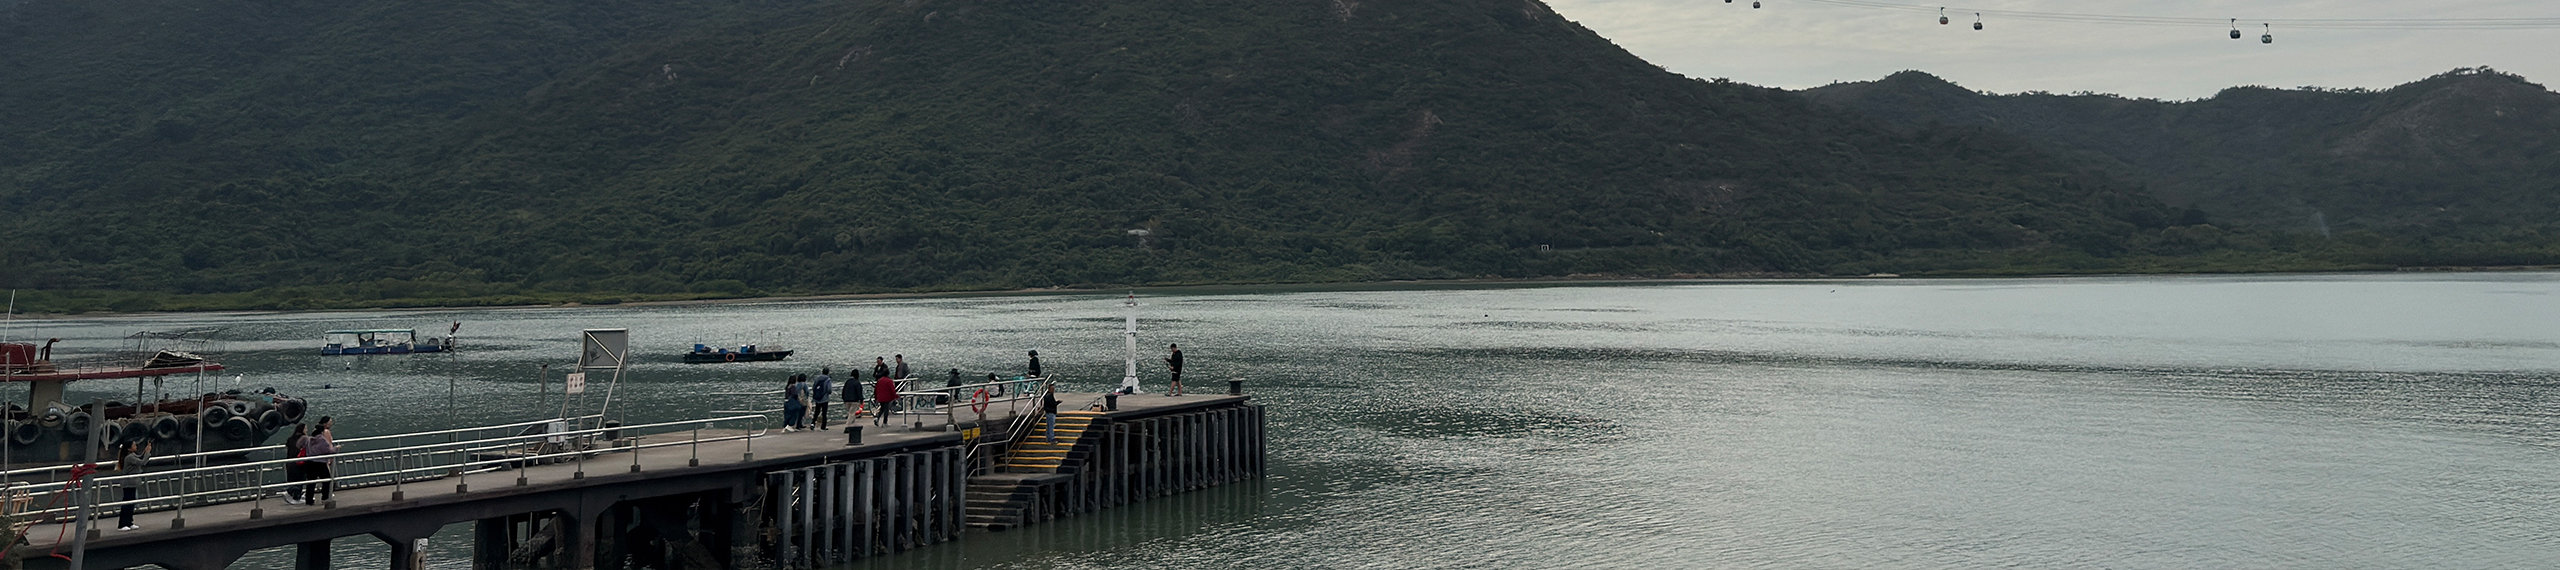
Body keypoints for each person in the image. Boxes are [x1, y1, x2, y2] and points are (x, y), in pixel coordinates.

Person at [117, 441, 150, 530]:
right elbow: (142, 462)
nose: (136, 446)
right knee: (127, 503)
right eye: (134, 445)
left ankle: (129, 522)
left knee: (131, 503)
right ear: (129, 448)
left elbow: (139, 457)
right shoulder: (129, 458)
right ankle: (122, 524)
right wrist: (147, 452)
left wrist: (145, 451)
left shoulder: (132, 456)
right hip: (128, 483)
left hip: (131, 483)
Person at [303, 417, 337, 503]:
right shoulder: (321, 440)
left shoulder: (309, 439)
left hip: (310, 462)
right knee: (327, 480)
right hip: (320, 462)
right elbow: (327, 450)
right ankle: (325, 497)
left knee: (311, 481)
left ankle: (309, 499)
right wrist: (336, 448)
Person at [284, 422, 310, 504]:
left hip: (289, 461)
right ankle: (295, 496)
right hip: (300, 461)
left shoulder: (290, 438)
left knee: (292, 478)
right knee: (300, 478)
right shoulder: (304, 439)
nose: (307, 430)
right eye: (306, 428)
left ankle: (291, 492)